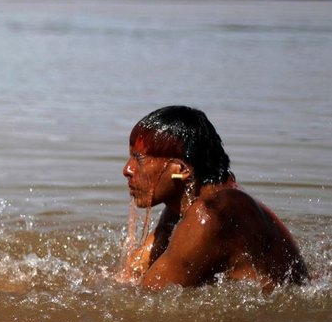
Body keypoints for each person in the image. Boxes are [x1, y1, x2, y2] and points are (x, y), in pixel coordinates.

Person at [120, 105, 307, 289]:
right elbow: (132, 274)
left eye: (139, 159)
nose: (127, 170)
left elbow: (146, 296)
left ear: (182, 170)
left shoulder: (210, 214)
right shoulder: (185, 202)